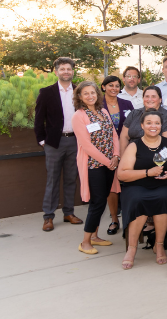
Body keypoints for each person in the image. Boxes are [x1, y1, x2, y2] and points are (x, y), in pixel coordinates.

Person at [117, 110, 167, 270]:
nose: (153, 126)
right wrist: (147, 172)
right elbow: (122, 174)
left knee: (164, 198)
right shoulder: (134, 145)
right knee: (138, 199)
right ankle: (132, 248)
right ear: (142, 126)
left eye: (157, 123)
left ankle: (158, 245)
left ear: (161, 125)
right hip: (137, 185)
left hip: (164, 184)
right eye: (149, 123)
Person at [34, 57, 83, 231]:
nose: (66, 72)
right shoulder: (46, 92)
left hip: (75, 142)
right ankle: (48, 216)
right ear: (56, 71)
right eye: (62, 69)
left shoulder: (79, 91)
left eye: (69, 69)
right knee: (52, 180)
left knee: (71, 179)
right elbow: (39, 119)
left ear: (73, 71)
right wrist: (42, 141)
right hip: (54, 143)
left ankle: (69, 212)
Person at [72, 81, 120, 254]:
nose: (90, 96)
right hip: (94, 165)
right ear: (79, 96)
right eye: (86, 93)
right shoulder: (79, 116)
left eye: (93, 93)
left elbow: (113, 134)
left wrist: (116, 155)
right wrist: (108, 162)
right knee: (97, 202)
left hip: (110, 163)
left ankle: (94, 236)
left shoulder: (103, 111)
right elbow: (87, 146)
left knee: (101, 199)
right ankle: (85, 242)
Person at [98, 76, 132, 236]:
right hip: (105, 151)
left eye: (117, 85)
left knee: (126, 185)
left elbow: (131, 127)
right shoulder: (96, 105)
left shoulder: (126, 104)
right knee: (111, 186)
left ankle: (129, 219)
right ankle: (114, 219)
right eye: (110, 85)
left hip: (126, 149)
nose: (114, 88)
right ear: (103, 87)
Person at [119, 86, 167, 154]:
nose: (150, 99)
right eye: (147, 96)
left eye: (153, 96)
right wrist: (124, 157)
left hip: (155, 157)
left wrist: (156, 161)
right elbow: (124, 137)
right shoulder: (134, 113)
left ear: (160, 99)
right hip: (131, 154)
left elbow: (166, 145)